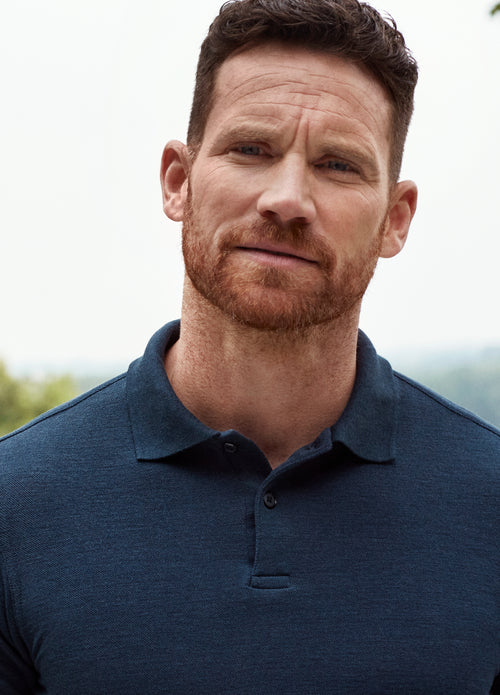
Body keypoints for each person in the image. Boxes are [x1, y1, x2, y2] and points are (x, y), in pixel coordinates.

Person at [1, 0, 499, 692]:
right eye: (252, 150)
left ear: (395, 219)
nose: (287, 198)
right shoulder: (14, 505)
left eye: (338, 165)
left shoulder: (490, 502)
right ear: (179, 179)